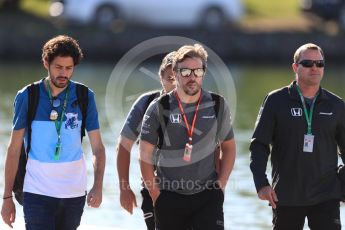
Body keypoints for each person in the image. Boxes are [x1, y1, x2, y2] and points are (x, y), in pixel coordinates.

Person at [1, 35, 106, 229]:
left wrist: (98, 186)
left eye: (69, 68)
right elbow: (14, 149)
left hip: (73, 193)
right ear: (46, 63)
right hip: (36, 191)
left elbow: (98, 148)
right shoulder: (28, 96)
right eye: (58, 67)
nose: (64, 73)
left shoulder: (85, 96)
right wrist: (7, 197)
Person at [139, 44, 236, 230]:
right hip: (168, 196)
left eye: (197, 71)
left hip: (207, 196)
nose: (191, 77)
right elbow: (144, 154)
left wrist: (221, 185)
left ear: (203, 73)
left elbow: (229, 148)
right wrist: (155, 192)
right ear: (175, 74)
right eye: (185, 72)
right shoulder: (159, 107)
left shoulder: (217, 104)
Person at [249, 43, 345, 230]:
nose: (315, 68)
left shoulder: (336, 105)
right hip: (286, 195)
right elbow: (259, 145)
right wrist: (261, 184)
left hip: (326, 195)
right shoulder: (276, 100)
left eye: (320, 63)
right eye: (308, 63)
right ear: (295, 67)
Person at [116, 51, 176, 230]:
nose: (174, 84)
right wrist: (124, 188)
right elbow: (123, 146)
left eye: (178, 78)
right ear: (160, 78)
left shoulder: (200, 103)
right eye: (169, 78)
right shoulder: (146, 103)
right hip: (154, 190)